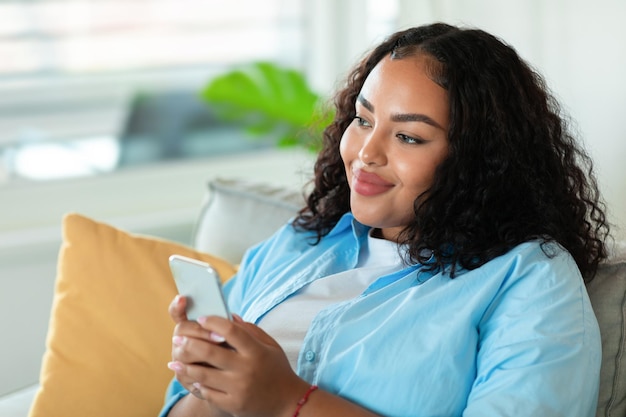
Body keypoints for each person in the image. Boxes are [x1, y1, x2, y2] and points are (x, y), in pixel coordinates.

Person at [160, 22, 610, 417]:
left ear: (480, 161)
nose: (366, 154)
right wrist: (215, 385)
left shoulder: (529, 280)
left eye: (409, 137)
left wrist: (286, 402)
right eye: (362, 119)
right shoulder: (300, 241)